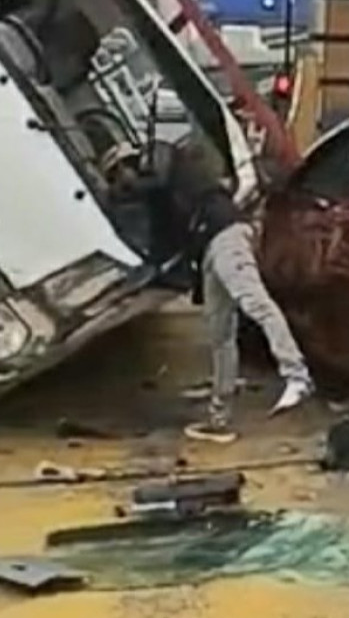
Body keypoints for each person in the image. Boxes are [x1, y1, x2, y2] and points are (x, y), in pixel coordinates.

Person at [101, 139, 314, 444]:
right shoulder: (158, 200)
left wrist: (129, 191)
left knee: (254, 302)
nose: (124, 185)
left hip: (226, 232)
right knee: (220, 333)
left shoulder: (160, 156)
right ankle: (219, 416)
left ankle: (296, 375)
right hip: (208, 249)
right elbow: (162, 243)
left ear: (127, 164)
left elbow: (158, 180)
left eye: (120, 177)